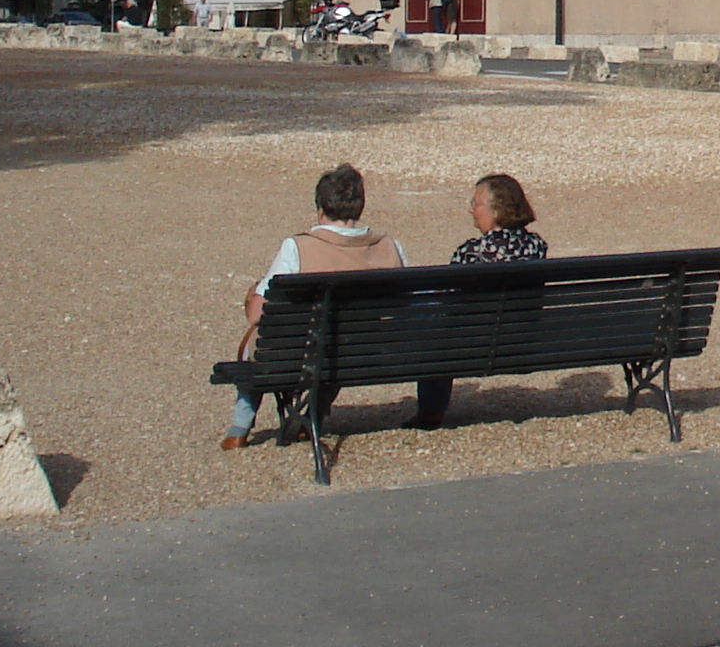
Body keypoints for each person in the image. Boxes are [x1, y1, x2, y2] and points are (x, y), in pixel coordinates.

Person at [222, 163, 408, 450]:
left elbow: (256, 313)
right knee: (338, 342)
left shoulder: (298, 247)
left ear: (321, 208)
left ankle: (240, 426)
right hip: (368, 352)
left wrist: (251, 293)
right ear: (359, 207)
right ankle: (313, 416)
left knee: (256, 344)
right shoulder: (390, 246)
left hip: (300, 352)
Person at [413, 174, 547, 431]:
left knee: (433, 330)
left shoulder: (472, 252)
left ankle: (430, 414)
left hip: (475, 345)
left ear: (497, 208)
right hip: (524, 339)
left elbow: (447, 303)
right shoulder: (537, 246)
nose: (471, 209)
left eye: (476, 203)